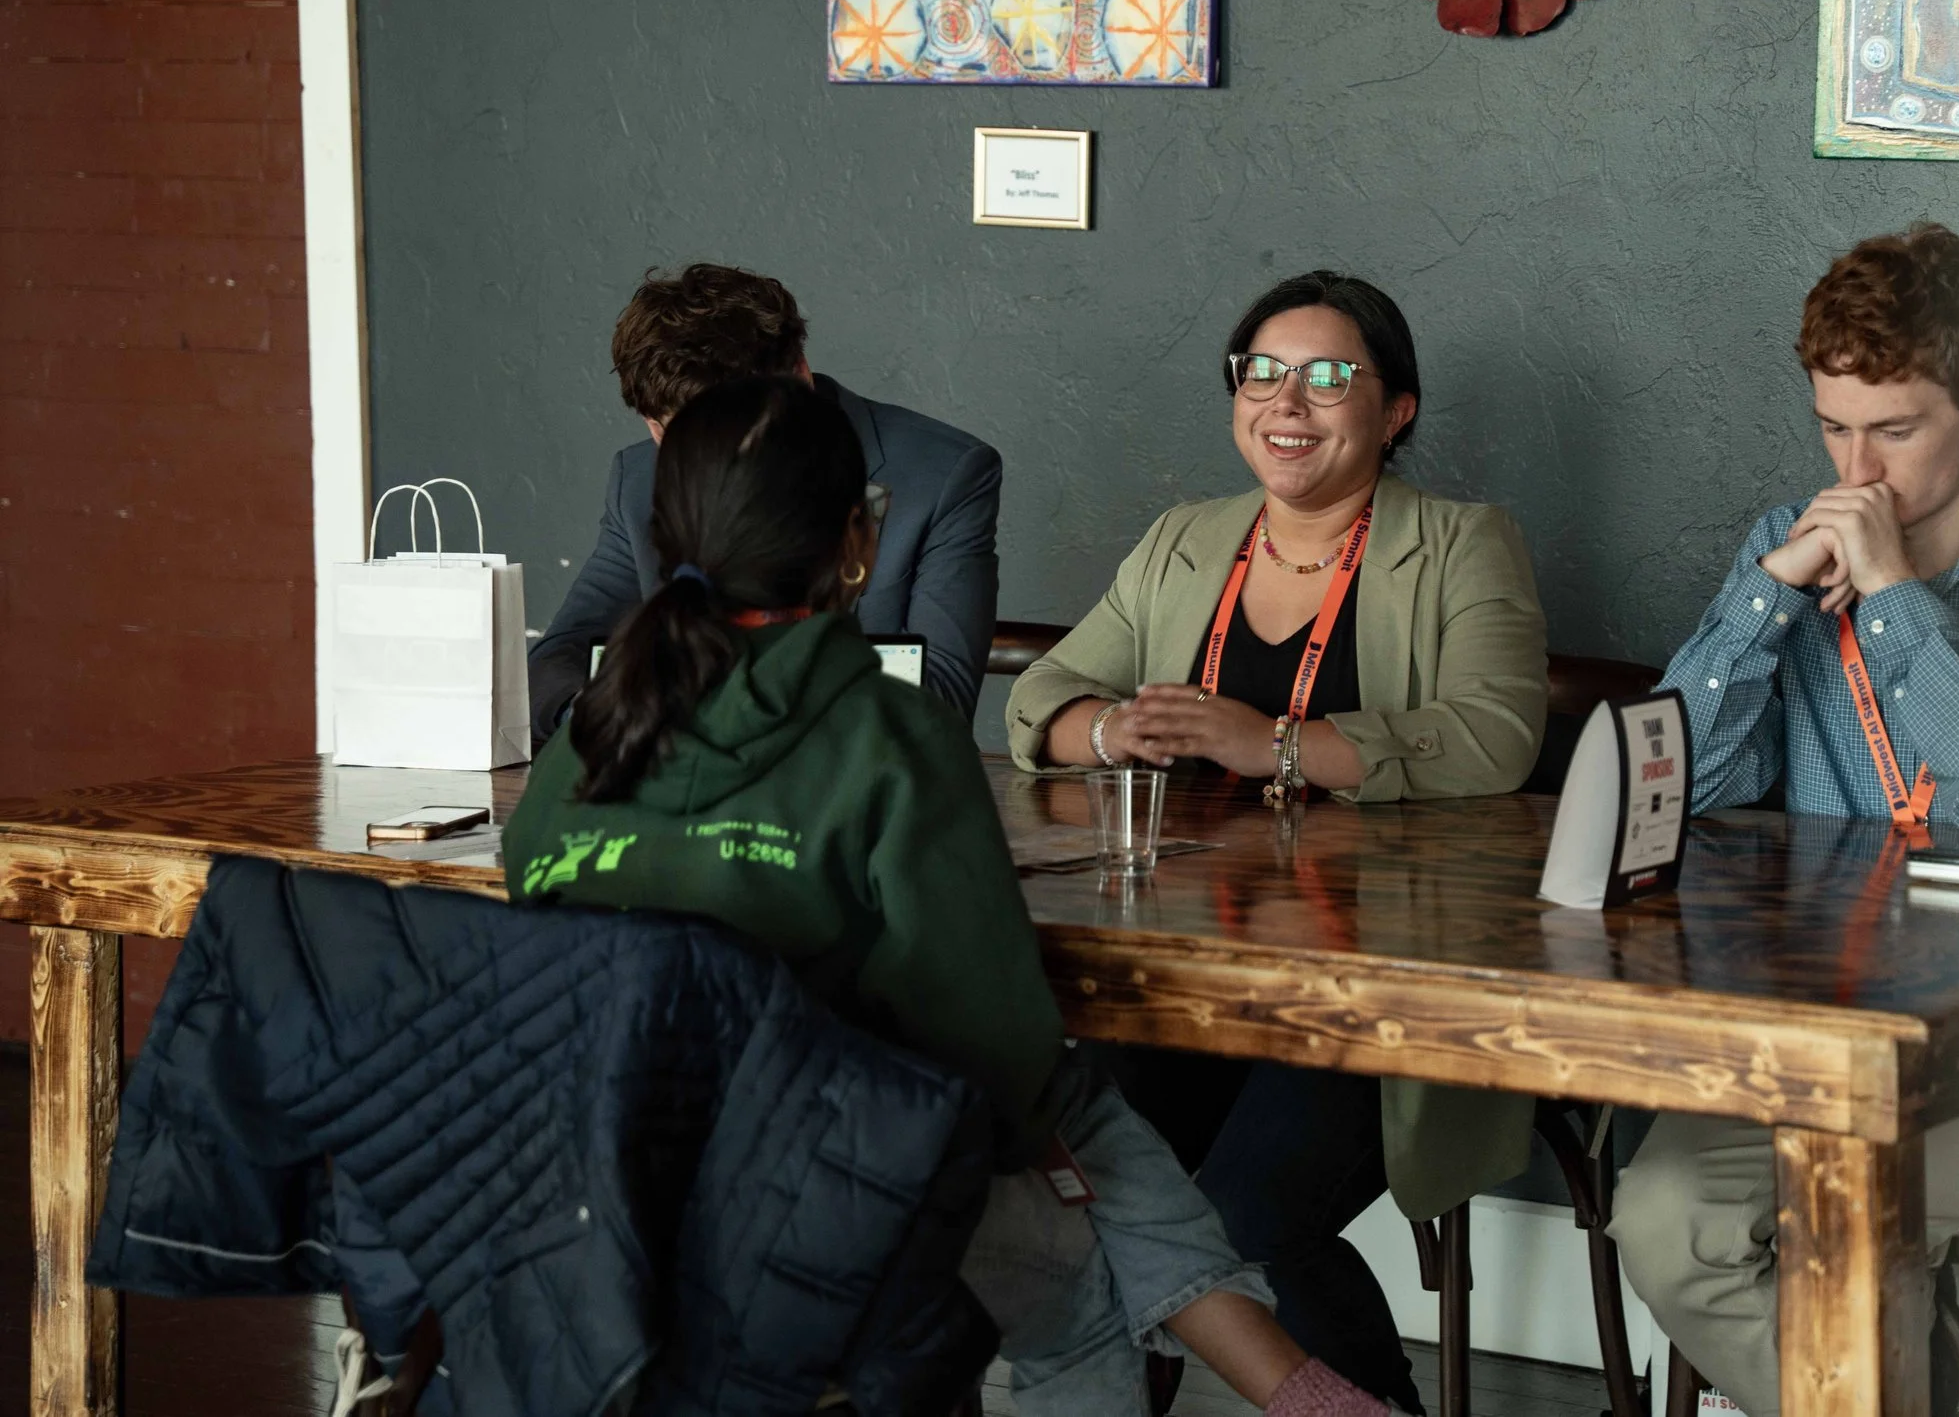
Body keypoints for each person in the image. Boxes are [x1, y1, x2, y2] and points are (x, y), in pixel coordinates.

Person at [504, 375, 1386, 1417]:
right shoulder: (888, 734)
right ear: (857, 543)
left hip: (581, 1203)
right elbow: (992, 1042)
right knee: (1079, 1203)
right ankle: (1307, 1392)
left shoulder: (580, 743)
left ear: (661, 536)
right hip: (801, 1209)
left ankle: (1302, 1390)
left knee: (1069, 1138)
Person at [1607, 223, 1959, 1417]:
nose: (1857, 469)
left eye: (1894, 429)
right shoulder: (1788, 547)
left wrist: (1899, 593)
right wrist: (1768, 595)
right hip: (1832, 1043)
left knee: (1839, 1222)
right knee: (1658, 1213)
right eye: (1831, 426)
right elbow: (1674, 790)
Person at [1006, 272, 1548, 1412]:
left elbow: (1494, 736)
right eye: (1261, 371)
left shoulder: (1459, 542)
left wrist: (1274, 745)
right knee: (1076, 1165)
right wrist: (1111, 727)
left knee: (1245, 1213)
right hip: (1185, 968)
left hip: (1371, 986)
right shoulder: (1185, 540)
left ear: (1394, 410)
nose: (1286, 399)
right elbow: (1042, 698)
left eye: (1329, 375)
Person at [528, 263, 999, 741]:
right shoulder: (638, 481)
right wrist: (597, 718)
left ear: (800, 375)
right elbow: (554, 661)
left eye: (750, 438)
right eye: (698, 447)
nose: (734, 474)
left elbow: (941, 700)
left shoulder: (944, 474)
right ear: (656, 431)